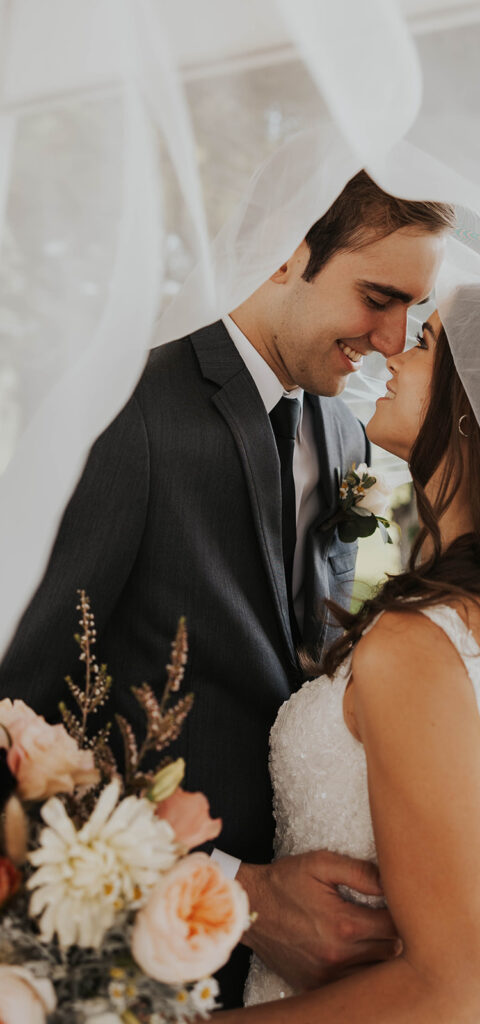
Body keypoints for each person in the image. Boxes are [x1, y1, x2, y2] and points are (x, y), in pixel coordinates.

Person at [0, 172, 454, 1006]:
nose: (393, 340)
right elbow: (12, 720)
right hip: (127, 948)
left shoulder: (344, 431)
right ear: (286, 253)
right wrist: (233, 888)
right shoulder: (121, 407)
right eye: (378, 297)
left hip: (295, 962)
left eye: (412, 313)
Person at [212, 287, 480, 1022]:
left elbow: (449, 992)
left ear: (478, 405)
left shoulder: (423, 644)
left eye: (428, 342)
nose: (395, 354)